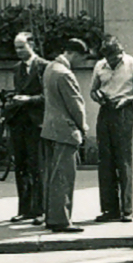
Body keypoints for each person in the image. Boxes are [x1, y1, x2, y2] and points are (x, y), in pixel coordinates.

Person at [89, 36, 133, 223]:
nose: (111, 62)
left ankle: (127, 209)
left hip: (124, 111)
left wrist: (129, 99)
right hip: (106, 111)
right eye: (108, 59)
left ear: (121, 52)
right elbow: (93, 90)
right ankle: (109, 209)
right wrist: (97, 97)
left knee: (125, 161)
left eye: (114, 59)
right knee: (105, 162)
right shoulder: (100, 66)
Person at [39, 38, 89, 233]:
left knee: (53, 176)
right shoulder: (65, 74)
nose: (81, 64)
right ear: (75, 54)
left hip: (51, 128)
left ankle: (52, 217)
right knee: (64, 177)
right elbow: (76, 105)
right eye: (82, 59)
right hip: (65, 130)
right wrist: (83, 127)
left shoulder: (50, 68)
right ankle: (62, 220)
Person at [4, 31, 49, 223]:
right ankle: (24, 209)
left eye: (22, 47)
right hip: (19, 123)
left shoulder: (44, 66)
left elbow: (49, 97)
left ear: (32, 45)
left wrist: (29, 99)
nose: (19, 51)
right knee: (20, 166)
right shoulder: (17, 68)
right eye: (16, 48)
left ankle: (39, 210)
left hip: (36, 123)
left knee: (36, 166)